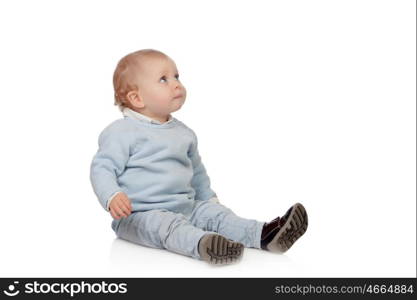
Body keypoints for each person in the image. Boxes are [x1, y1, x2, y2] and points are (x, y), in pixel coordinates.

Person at [90, 49, 308, 265]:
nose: (176, 84)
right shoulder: (122, 132)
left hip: (187, 206)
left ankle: (265, 234)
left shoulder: (184, 133)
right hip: (139, 215)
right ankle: (203, 244)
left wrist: (210, 200)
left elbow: (197, 172)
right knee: (165, 227)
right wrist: (112, 195)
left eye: (177, 76)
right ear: (137, 98)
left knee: (217, 216)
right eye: (163, 79)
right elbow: (102, 168)